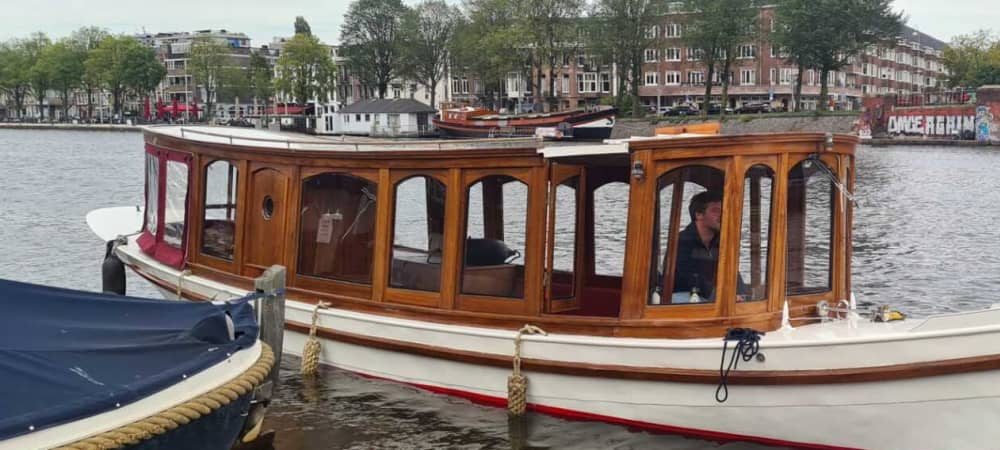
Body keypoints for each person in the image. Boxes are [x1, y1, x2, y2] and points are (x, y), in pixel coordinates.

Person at [673, 191, 723, 302]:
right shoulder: (681, 242)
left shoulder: (722, 241)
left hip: (712, 297)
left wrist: (742, 293)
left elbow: (732, 272)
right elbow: (689, 276)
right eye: (715, 210)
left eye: (723, 210)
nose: (722, 215)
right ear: (699, 215)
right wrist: (718, 293)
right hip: (681, 297)